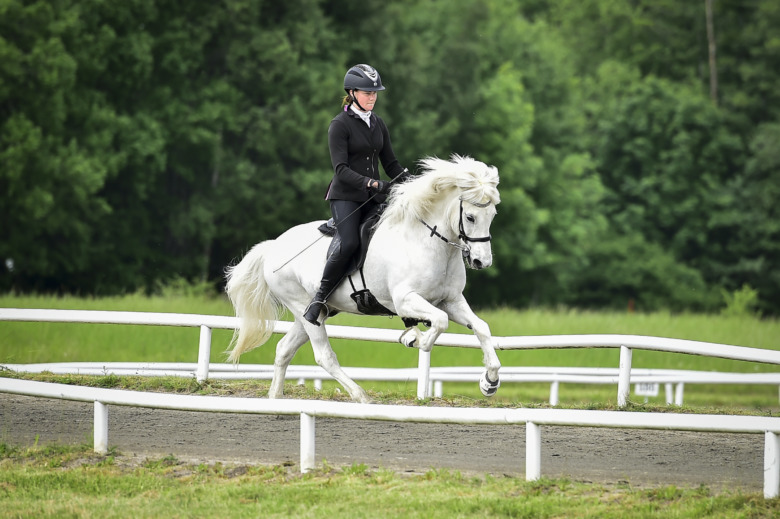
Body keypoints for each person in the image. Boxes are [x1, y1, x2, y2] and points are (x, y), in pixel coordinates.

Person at [303, 63, 411, 326]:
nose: (372, 97)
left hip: (373, 200)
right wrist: (374, 184)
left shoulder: (378, 124)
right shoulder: (339, 125)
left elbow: (392, 165)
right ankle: (319, 298)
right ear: (352, 93)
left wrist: (412, 183)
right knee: (350, 242)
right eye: (366, 93)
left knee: (394, 236)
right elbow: (340, 170)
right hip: (345, 197)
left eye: (375, 93)